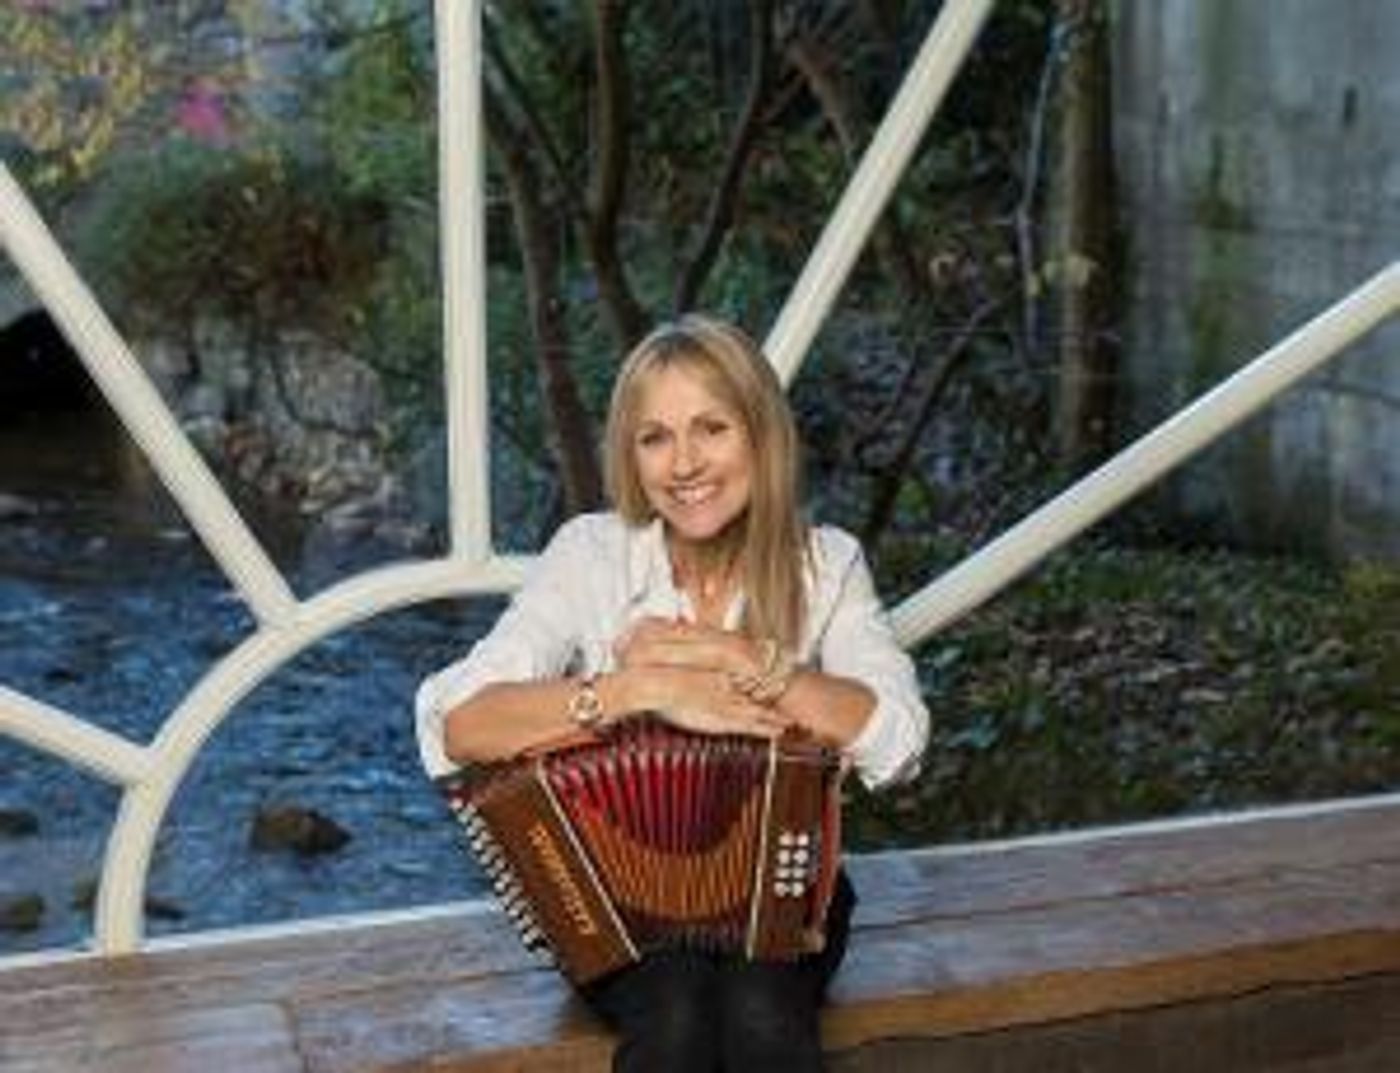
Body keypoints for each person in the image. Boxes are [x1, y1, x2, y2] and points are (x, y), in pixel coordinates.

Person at [416, 313, 928, 1072]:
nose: (684, 462)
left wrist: (735, 655)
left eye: (711, 428)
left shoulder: (826, 563)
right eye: (655, 436)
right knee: (678, 1010)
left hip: (781, 888)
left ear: (761, 434)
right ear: (632, 454)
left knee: (761, 1007)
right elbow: (459, 725)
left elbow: (899, 739)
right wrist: (638, 688)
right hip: (612, 898)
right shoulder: (591, 554)